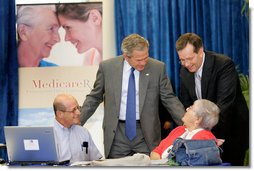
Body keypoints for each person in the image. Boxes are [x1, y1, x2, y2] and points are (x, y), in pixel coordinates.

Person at [80, 33, 185, 159]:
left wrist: (186, 122)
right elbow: (94, 97)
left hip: (146, 134)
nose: (144, 63)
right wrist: (77, 121)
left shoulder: (157, 68)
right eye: (139, 60)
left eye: (146, 57)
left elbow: (169, 98)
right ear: (126, 56)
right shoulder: (108, 68)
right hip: (117, 134)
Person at [175, 33, 249, 166]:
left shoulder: (223, 65)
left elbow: (224, 107)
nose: (186, 64)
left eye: (189, 58)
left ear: (201, 51)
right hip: (204, 135)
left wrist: (205, 136)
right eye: (182, 60)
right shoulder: (184, 70)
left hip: (230, 133)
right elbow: (185, 102)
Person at [150, 99, 220, 160]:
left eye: (191, 108)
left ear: (198, 119)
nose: (186, 109)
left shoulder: (205, 139)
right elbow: (156, 151)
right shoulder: (179, 129)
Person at [53, 93, 102, 163]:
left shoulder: (83, 132)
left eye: (78, 108)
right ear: (60, 114)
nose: (78, 112)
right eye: (73, 110)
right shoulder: (47, 135)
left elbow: (96, 160)